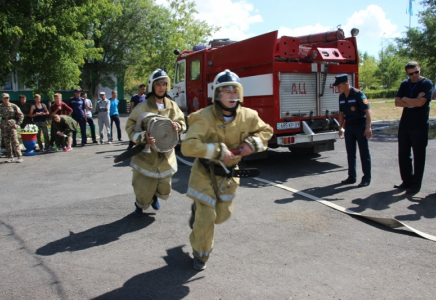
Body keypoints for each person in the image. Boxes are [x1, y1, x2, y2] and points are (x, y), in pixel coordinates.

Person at [181, 69, 273, 271]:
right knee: (207, 217)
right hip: (204, 173)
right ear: (217, 95)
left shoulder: (249, 116)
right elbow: (187, 146)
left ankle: (196, 214)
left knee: (221, 216)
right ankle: (201, 254)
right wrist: (217, 151)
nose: (231, 95)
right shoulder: (202, 117)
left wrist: (252, 143)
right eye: (226, 91)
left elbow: (266, 130)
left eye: (235, 90)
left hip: (229, 175)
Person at [126, 69, 185, 215]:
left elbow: (182, 122)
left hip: (166, 154)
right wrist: (142, 137)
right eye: (158, 84)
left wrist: (178, 126)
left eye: (164, 84)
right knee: (143, 186)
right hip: (146, 156)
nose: (162, 87)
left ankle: (155, 197)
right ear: (152, 86)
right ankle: (139, 205)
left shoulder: (172, 105)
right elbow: (130, 127)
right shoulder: (142, 107)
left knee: (165, 185)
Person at [394, 61, 433, 194]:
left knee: (419, 156)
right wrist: (412, 101)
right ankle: (406, 181)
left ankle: (416, 185)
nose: (414, 75)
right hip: (405, 124)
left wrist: (406, 99)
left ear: (419, 69)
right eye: (411, 74)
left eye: (416, 72)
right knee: (403, 154)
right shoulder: (405, 84)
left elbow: (421, 103)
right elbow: (396, 102)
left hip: (419, 125)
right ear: (407, 74)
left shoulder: (427, 83)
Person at [335, 74, 372, 187]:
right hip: (349, 126)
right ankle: (351, 177)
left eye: (339, 86)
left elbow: (367, 110)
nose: (337, 88)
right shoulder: (341, 97)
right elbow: (341, 113)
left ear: (346, 84)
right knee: (350, 153)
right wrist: (341, 127)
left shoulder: (358, 94)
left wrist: (368, 127)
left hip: (360, 125)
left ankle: (366, 178)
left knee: (364, 153)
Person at [0, 93, 24, 162]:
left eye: (7, 98)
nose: (6, 99)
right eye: (4, 98)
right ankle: (10, 156)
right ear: (2, 99)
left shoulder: (13, 106)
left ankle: (19, 156)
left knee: (15, 141)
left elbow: (21, 115)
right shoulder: (0, 106)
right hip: (4, 125)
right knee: (6, 142)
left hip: (12, 125)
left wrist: (18, 124)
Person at [127, 84, 146, 150]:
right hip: (135, 117)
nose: (144, 90)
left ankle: (141, 145)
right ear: (139, 89)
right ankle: (130, 144)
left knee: (143, 130)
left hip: (143, 117)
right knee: (134, 130)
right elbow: (132, 107)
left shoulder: (145, 97)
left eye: (144, 89)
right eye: (142, 89)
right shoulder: (134, 97)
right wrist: (131, 116)